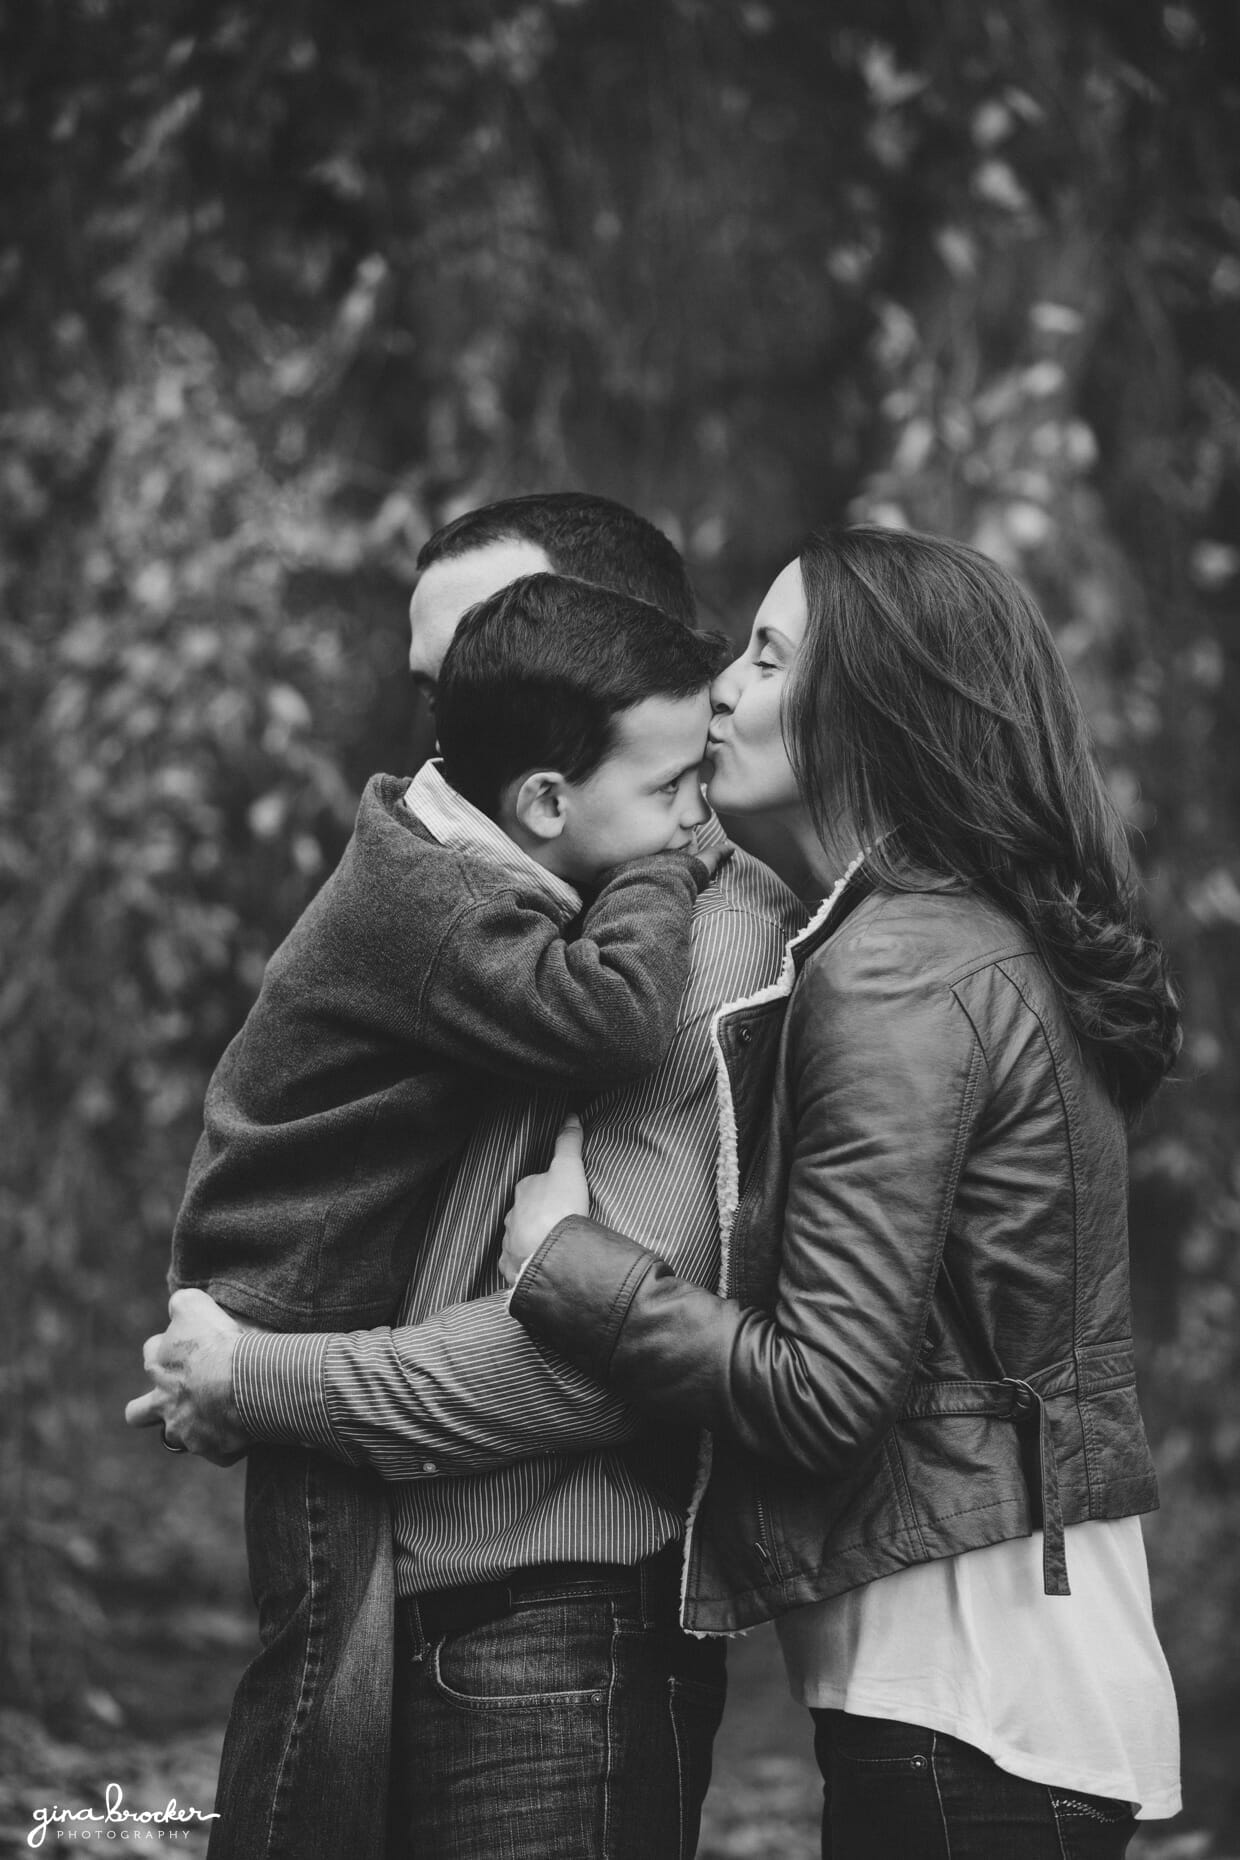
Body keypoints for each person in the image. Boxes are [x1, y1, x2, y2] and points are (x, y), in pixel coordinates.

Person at [130, 492, 806, 1860]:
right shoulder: (497, 886)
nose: (454, 742)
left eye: (489, 669)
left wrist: (263, 1379)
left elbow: (592, 1351)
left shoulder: (693, 934)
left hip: (548, 1646)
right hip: (429, 1594)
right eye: (441, 695)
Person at [502, 525, 1184, 1859]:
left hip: (970, 1707)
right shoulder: (974, 936)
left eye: (765, 656)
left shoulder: (897, 969)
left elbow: (822, 1391)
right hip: (1019, 1695)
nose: (722, 692)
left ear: (871, 699)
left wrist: (564, 1266)